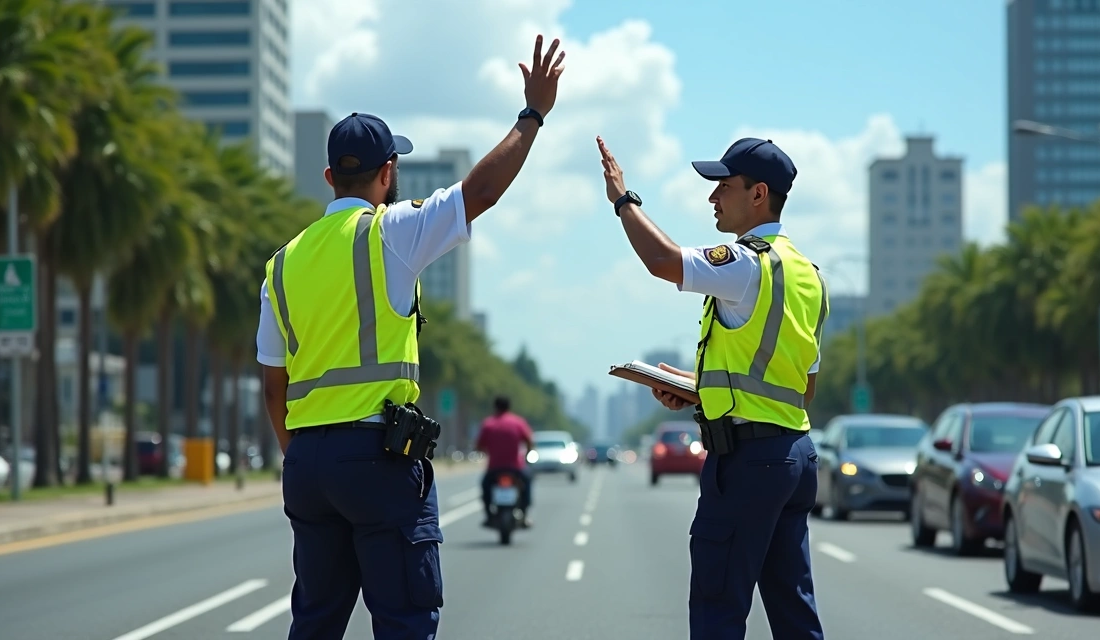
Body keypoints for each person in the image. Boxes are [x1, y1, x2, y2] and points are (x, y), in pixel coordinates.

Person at [256, 35, 566, 640]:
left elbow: (274, 384)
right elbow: (479, 193)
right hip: (375, 459)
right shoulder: (391, 233)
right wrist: (533, 115)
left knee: (315, 622)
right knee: (404, 620)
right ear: (389, 172)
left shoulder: (282, 263)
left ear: (328, 177)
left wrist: (303, 457)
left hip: (309, 464)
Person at [595, 135, 828, 640]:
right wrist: (693, 388)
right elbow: (796, 388)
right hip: (794, 456)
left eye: (723, 186)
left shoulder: (747, 262)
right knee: (794, 611)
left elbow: (663, 261)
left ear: (759, 194)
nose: (712, 198)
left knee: (718, 607)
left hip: (747, 463)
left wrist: (622, 199)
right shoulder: (809, 275)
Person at [474, 395, 535, 527]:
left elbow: (479, 446)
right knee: (528, 482)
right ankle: (524, 514)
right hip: (516, 467)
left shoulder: (488, 424)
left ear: (495, 407)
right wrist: (527, 454)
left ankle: (489, 515)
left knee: (485, 487)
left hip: (494, 468)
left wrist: (487, 452)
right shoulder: (518, 422)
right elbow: (529, 441)